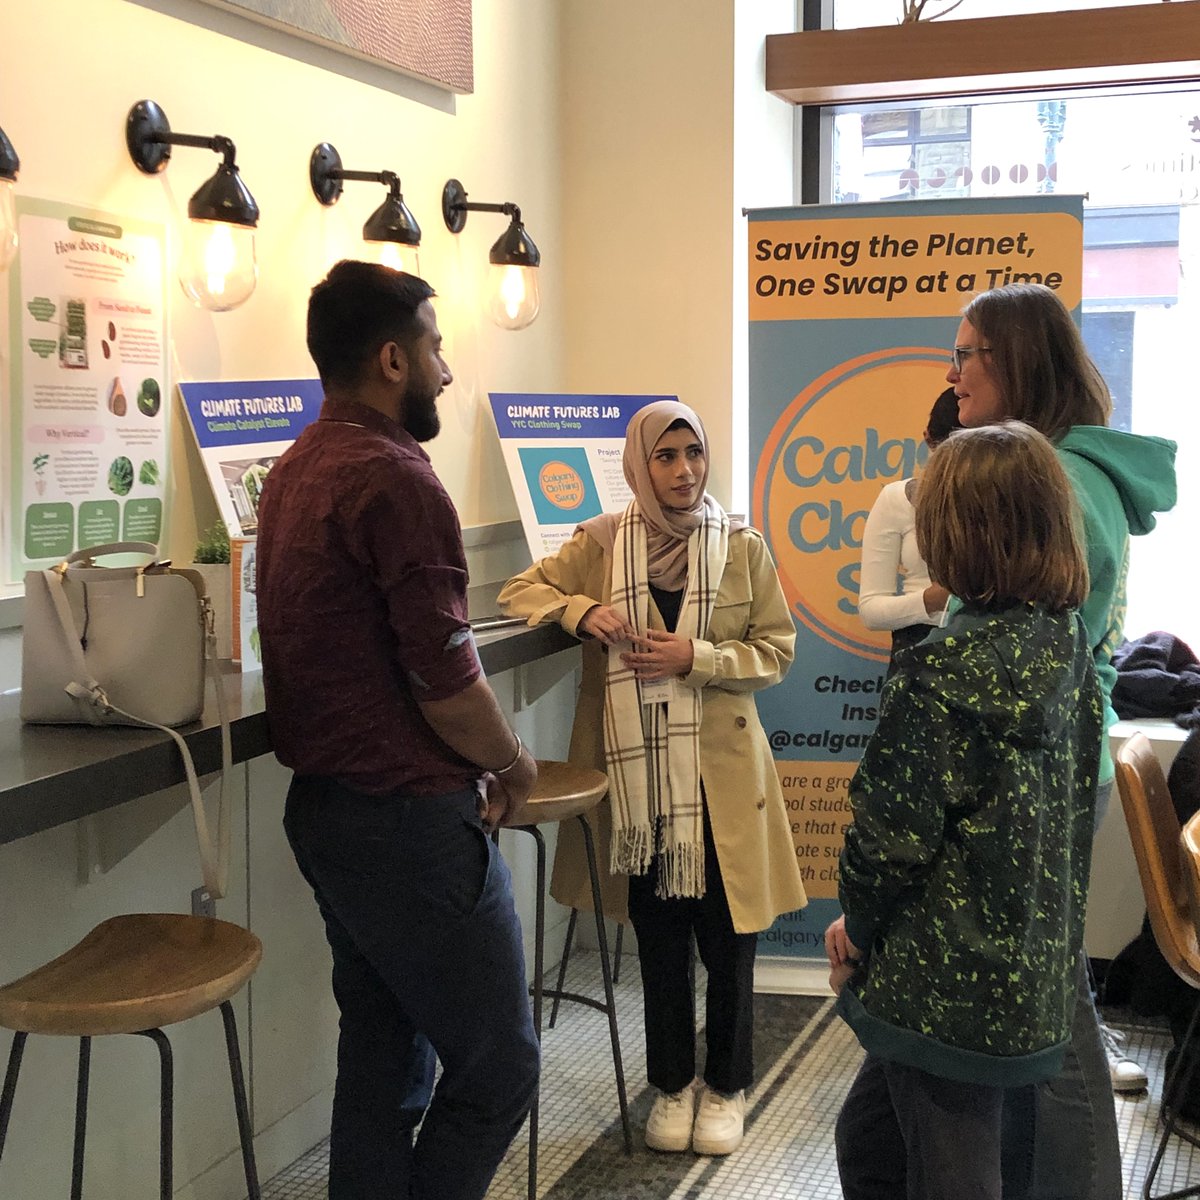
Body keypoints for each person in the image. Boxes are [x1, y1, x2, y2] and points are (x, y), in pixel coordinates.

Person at [255, 261, 540, 1200]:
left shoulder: (293, 469)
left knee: (382, 1060)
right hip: (407, 825)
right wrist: (510, 762)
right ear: (391, 358)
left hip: (328, 818)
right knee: (500, 1069)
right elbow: (445, 681)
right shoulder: (396, 480)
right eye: (435, 346)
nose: (447, 370)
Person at [498, 400, 806, 1157]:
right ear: (639, 465)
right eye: (664, 457)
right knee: (661, 944)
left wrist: (696, 658)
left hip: (724, 781)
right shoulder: (602, 543)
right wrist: (578, 611)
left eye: (692, 454)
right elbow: (516, 594)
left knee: (729, 944)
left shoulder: (741, 546)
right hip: (639, 790)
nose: (682, 471)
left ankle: (727, 1086)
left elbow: (777, 649)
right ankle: (671, 1085)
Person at [826, 420, 1104, 1200]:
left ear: (954, 533)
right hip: (1026, 973)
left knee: (950, 1175)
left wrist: (857, 927)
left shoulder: (935, 676)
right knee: (872, 1139)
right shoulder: (1067, 645)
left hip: (934, 990)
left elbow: (887, 845)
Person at [946, 282, 1177, 1199]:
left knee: (1055, 1003)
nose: (953, 374)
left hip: (1029, 774)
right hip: (1047, 766)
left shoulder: (1062, 485)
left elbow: (1022, 667)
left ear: (1013, 362)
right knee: (1043, 995)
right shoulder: (1065, 469)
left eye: (966, 355)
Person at [857, 386, 963, 664]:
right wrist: (932, 600)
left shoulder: (1011, 499)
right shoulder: (898, 498)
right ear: (928, 440)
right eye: (943, 456)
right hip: (919, 655)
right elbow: (871, 609)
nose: (953, 472)